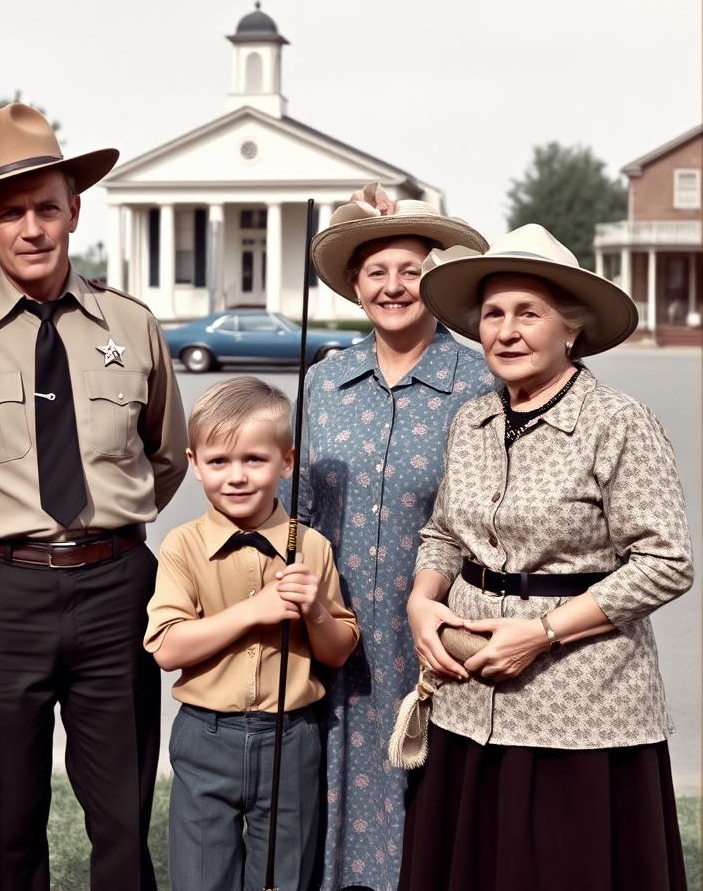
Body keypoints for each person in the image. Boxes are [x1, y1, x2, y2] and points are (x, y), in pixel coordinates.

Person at [0, 102, 188, 891]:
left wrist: (107, 525)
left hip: (116, 588)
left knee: (122, 820)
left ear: (74, 209)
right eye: (11, 213)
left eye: (47, 207)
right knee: (7, 825)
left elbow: (165, 454)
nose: (33, 229)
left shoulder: (132, 326)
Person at [401, 224, 692, 891]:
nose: (505, 331)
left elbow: (668, 561)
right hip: (468, 699)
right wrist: (422, 603)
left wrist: (542, 633)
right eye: (493, 315)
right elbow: (443, 532)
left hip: (581, 706)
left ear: (571, 330)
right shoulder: (470, 420)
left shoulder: (619, 422)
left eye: (527, 313)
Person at [296, 182, 491, 891]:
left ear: (436, 280)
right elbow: (299, 501)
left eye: (411, 269)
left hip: (436, 623)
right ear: (354, 286)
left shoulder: (477, 380)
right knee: (332, 779)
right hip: (335, 625)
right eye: (376, 271)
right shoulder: (323, 381)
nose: (393, 285)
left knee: (433, 783)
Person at [144, 377, 359, 891]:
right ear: (194, 464)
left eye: (255, 460)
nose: (236, 477)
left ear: (286, 461)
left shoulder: (311, 547)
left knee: (282, 879)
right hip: (205, 737)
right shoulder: (182, 545)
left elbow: (338, 651)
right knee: (200, 879)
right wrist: (253, 611)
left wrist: (315, 613)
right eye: (219, 462)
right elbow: (167, 648)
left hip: (291, 737)